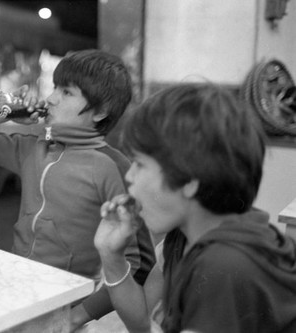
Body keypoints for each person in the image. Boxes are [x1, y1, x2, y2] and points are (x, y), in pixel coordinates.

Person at [0, 49, 156, 328]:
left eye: (67, 93)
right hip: (18, 290)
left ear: (101, 111)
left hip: (67, 304)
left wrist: (78, 315)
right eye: (55, 87)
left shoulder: (113, 166)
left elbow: (138, 263)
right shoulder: (34, 146)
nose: (51, 98)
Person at [94, 83, 296, 333]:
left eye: (140, 164)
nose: (130, 176)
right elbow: (143, 322)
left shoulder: (224, 265)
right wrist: (112, 257)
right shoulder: (182, 236)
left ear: (189, 181)